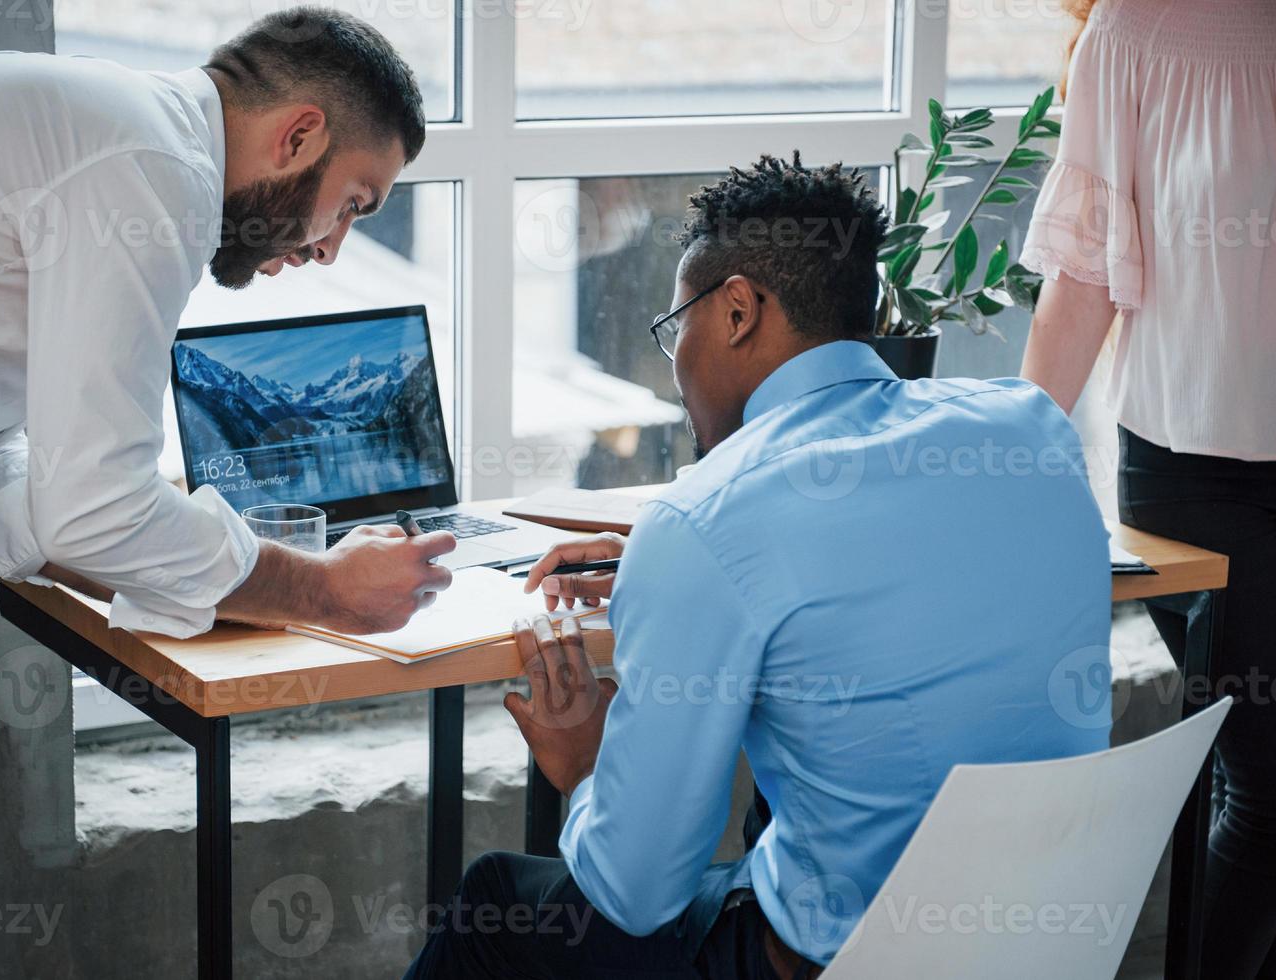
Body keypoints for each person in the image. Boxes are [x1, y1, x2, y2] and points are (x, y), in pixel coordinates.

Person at [404, 154, 1114, 978]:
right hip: (1047, 936)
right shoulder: (1029, 429)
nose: (675, 369)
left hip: (844, 961)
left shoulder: (706, 520)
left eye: (676, 329)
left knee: (499, 897)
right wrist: (678, 567)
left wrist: (589, 765)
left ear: (738, 309)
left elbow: (637, 895)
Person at [0, 9, 456, 975]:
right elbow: (90, 510)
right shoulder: (154, 175)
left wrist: (179, 543)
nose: (332, 247)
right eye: (355, 202)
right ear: (300, 136)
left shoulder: (115, 132)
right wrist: (320, 589)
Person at [1017, 2, 1276, 975]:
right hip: (1195, 476)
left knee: (1265, 802)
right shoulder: (1132, 32)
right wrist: (999, 462)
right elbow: (1082, 274)